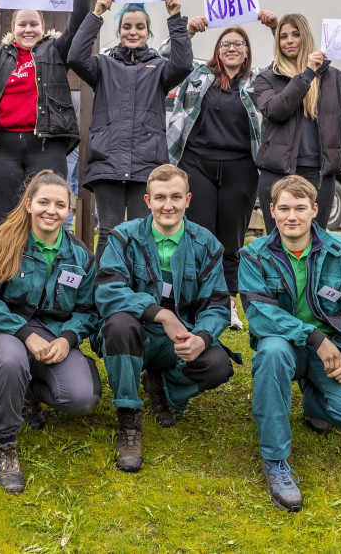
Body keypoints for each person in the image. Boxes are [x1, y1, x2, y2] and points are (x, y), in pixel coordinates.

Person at [238, 175, 341, 512]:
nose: (292, 216)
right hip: (286, 346)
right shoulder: (253, 256)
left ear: (315, 210)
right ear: (271, 211)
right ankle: (275, 459)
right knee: (271, 352)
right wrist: (311, 336)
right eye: (284, 208)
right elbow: (260, 314)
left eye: (300, 208)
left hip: (333, 350)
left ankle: (313, 399)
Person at [94, 164, 238, 473]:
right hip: (134, 335)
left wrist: (202, 337)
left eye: (175, 197)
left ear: (188, 199)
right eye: (160, 197)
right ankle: (129, 419)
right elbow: (107, 290)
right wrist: (159, 314)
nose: (168, 205)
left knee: (217, 364)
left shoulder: (207, 244)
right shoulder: (124, 237)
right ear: (147, 201)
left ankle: (163, 386)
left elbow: (216, 304)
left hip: (178, 340)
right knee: (119, 325)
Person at [0, 170, 101, 493]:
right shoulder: (2, 242)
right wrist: (24, 333)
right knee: (11, 361)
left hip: (53, 335)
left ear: (69, 210)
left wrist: (67, 339)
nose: (51, 211)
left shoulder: (81, 256)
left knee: (81, 397)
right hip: (4, 331)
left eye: (60, 205)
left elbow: (88, 310)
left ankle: (27, 391)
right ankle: (5, 444)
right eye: (43, 202)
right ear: (29, 204)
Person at [166, 11, 278, 330]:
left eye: (238, 44)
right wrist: (186, 31)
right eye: (225, 43)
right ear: (217, 50)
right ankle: (197, 300)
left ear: (247, 51)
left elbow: (286, 65)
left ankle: (227, 303)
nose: (231, 48)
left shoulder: (257, 82)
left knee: (231, 239)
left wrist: (274, 28)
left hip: (240, 168)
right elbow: (165, 58)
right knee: (198, 237)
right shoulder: (197, 75)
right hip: (196, 164)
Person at [0, 0, 90, 227]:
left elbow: (79, 23)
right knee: (5, 220)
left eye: (34, 24)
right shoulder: (1, 56)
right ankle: (4, 257)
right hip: (3, 147)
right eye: (22, 24)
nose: (28, 29)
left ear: (43, 27)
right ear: (13, 28)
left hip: (46, 146)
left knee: (46, 216)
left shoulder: (56, 51)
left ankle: (45, 255)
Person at [68, 0, 194, 260]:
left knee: (142, 233)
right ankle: (105, 284)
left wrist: (175, 18)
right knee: (108, 232)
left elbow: (183, 64)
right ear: (119, 31)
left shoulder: (160, 68)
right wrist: (96, 13)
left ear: (148, 32)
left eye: (140, 27)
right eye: (126, 27)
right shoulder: (102, 65)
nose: (133, 32)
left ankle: (140, 284)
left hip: (146, 164)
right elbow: (76, 57)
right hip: (107, 161)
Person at [252, 14, 341, 231]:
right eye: (283, 36)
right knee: (277, 241)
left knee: (316, 240)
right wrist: (307, 75)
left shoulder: (336, 78)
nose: (289, 41)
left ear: (306, 37)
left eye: (296, 34)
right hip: (277, 174)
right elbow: (276, 111)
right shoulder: (267, 78)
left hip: (320, 176)